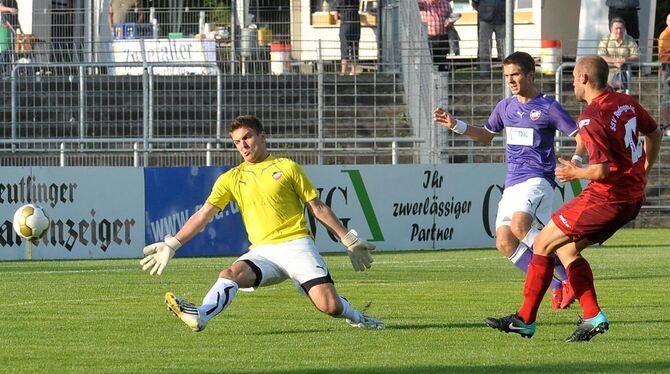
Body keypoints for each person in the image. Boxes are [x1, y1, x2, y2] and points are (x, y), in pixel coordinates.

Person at [139, 115, 384, 332]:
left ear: (262, 137)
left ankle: (357, 316)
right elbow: (203, 214)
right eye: (237, 142)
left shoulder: (286, 167)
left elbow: (317, 207)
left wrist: (348, 239)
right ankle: (201, 315)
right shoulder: (231, 178)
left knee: (329, 306)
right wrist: (173, 244)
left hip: (297, 246)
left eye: (247, 137)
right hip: (263, 252)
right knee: (230, 274)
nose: (243, 145)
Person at [485, 55, 662, 342]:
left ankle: (525, 320)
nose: (571, 84)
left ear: (583, 78)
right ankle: (592, 316)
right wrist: (644, 170)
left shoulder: (591, 117)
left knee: (542, 243)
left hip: (607, 197)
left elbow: (602, 171)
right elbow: (654, 133)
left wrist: (576, 171)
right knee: (565, 251)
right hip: (631, 198)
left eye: (572, 78)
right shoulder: (626, 102)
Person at [433, 51, 584, 310]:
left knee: (520, 225)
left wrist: (577, 162)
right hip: (513, 182)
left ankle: (571, 276)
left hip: (539, 179)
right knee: (504, 242)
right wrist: (455, 124)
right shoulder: (505, 107)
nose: (510, 80)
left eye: (515, 74)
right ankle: (558, 286)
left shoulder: (547, 107)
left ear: (530, 75)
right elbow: (485, 135)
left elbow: (581, 136)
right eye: (506, 76)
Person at [597, 17, 639, 91]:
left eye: (621, 28)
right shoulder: (605, 40)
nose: (619, 31)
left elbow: (636, 56)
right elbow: (601, 56)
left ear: (624, 29)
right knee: (608, 95)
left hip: (624, 73)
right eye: (616, 28)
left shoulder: (630, 40)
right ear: (611, 29)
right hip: (608, 73)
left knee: (622, 96)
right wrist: (615, 61)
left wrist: (624, 60)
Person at [471, 0, 505, 78]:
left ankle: (507, 72)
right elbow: (475, 2)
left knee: (504, 47)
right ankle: (484, 73)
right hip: (485, 20)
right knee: (484, 47)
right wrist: (483, 11)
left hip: (502, 19)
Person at [418, 0, 453, 72]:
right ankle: (429, 81)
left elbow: (449, 17)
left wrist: (449, 22)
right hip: (428, 37)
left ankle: (442, 81)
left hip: (442, 37)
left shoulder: (446, 4)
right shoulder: (423, 3)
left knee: (442, 62)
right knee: (428, 62)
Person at [334, 0, 361, 76]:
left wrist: (340, 15)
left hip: (345, 23)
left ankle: (343, 72)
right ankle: (353, 71)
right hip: (356, 23)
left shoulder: (339, 2)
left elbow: (336, 17)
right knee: (354, 47)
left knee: (344, 47)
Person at [658, 12, 670, 132]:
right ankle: (667, 126)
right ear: (667, 22)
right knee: (667, 98)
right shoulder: (665, 35)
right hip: (668, 69)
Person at [0, 0, 17, 75]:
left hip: (9, 27)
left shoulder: (13, 1)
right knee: (4, 50)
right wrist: (10, 9)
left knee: (8, 51)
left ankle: (6, 72)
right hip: (3, 27)